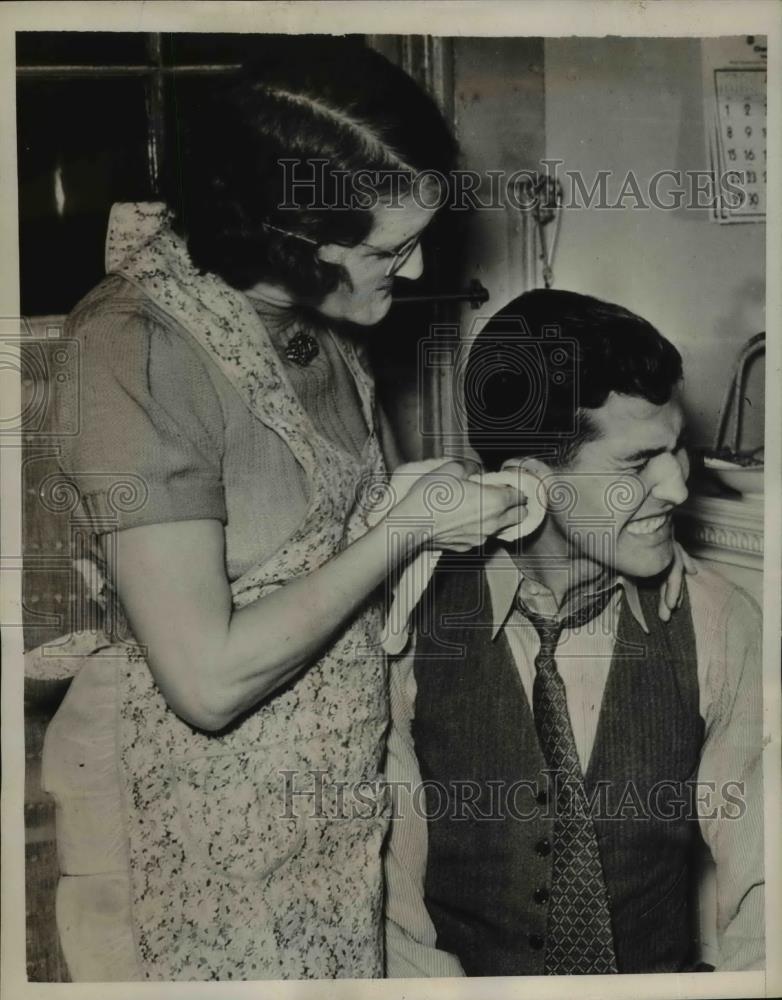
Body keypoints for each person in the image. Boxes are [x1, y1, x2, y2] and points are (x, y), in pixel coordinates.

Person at [33, 39, 531, 982]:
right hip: (183, 828)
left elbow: (318, 542)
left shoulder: (317, 322)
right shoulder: (130, 349)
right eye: (391, 248)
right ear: (288, 235)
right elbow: (207, 680)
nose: (419, 271)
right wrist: (402, 530)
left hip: (332, 809)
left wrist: (425, 503)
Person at [384, 289, 764, 977]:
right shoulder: (409, 628)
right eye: (635, 463)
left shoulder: (721, 620)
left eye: (677, 451)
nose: (677, 488)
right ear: (534, 482)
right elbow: (395, 916)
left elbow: (768, 877)